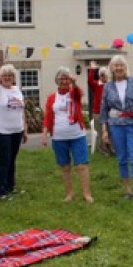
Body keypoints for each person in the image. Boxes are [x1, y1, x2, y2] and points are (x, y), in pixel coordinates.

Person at [100, 54, 133, 201]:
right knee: (122, 159)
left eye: (121, 65)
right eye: (116, 65)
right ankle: (128, 191)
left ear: (126, 67)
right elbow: (103, 110)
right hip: (116, 126)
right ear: (111, 68)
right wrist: (104, 130)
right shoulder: (107, 87)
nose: (118, 68)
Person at [41, 67, 91, 203]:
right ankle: (69, 193)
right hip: (59, 136)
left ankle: (87, 194)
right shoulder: (52, 97)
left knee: (81, 165)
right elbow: (48, 116)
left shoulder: (73, 93)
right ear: (57, 81)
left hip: (77, 135)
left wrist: (74, 83)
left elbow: (78, 93)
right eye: (61, 78)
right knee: (65, 166)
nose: (63, 81)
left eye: (66, 78)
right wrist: (44, 134)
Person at [0, 43, 28, 200]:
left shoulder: (16, 90)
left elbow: (21, 110)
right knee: (4, 160)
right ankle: (1, 191)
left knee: (12, 159)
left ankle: (11, 186)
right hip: (1, 131)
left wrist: (24, 129)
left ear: (13, 78)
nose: (7, 78)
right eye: (5, 76)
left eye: (10, 76)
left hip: (16, 130)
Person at [87, 62, 112, 155]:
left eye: (106, 75)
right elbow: (89, 81)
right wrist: (92, 69)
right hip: (98, 112)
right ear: (100, 76)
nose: (105, 77)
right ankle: (103, 150)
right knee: (101, 132)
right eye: (103, 75)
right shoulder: (96, 84)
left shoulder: (110, 85)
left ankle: (111, 149)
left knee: (110, 131)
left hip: (109, 112)